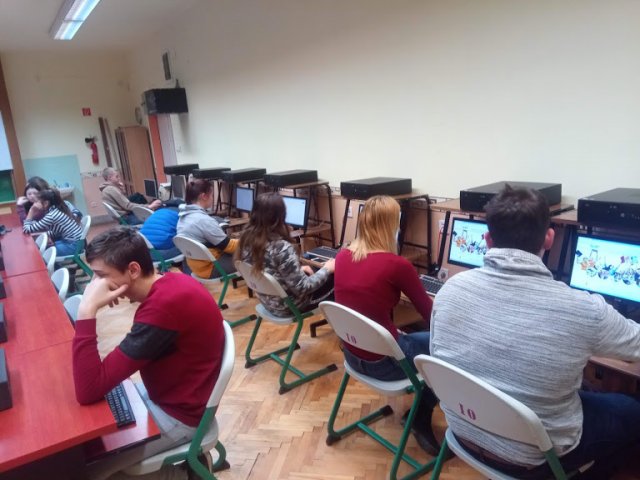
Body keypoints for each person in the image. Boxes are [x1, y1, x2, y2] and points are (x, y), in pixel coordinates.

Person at [430, 185, 640, 479]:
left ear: (487, 240)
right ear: (549, 238)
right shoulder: (584, 308)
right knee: (631, 410)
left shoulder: (450, 290)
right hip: (535, 456)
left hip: (464, 430)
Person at [73, 227, 224, 480]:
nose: (95, 286)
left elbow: (88, 389)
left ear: (133, 270)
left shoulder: (162, 308)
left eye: (101, 276)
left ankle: (187, 475)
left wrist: (86, 311)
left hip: (179, 415)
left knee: (84, 468)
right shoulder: (170, 282)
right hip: (169, 396)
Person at [333, 195, 439, 454]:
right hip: (386, 365)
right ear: (391, 225)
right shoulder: (397, 265)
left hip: (352, 355)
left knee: (416, 337)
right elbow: (431, 315)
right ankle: (420, 416)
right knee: (447, 349)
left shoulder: (343, 256)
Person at [236, 192, 334, 317]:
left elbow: (269, 269)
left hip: (267, 301)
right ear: (280, 216)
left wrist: (297, 270)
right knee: (336, 278)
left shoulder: (246, 239)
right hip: (291, 306)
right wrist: (327, 269)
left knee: (314, 270)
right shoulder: (281, 247)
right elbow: (304, 288)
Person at [177, 179, 237, 278]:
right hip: (210, 267)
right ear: (204, 196)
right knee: (251, 257)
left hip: (195, 266)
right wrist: (248, 241)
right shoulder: (203, 220)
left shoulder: (182, 217)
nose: (212, 198)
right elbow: (229, 247)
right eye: (212, 195)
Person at [22, 188, 83, 256]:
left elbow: (26, 230)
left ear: (46, 203)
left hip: (73, 246)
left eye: (37, 202)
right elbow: (57, 232)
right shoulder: (57, 209)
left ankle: (57, 264)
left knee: (41, 253)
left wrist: (31, 211)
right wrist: (41, 234)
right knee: (45, 247)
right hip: (77, 243)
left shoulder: (51, 216)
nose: (34, 204)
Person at [16, 176, 82, 223]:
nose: (32, 196)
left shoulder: (54, 207)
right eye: (29, 194)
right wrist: (20, 206)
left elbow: (78, 214)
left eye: (35, 193)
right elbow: (25, 224)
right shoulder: (31, 206)